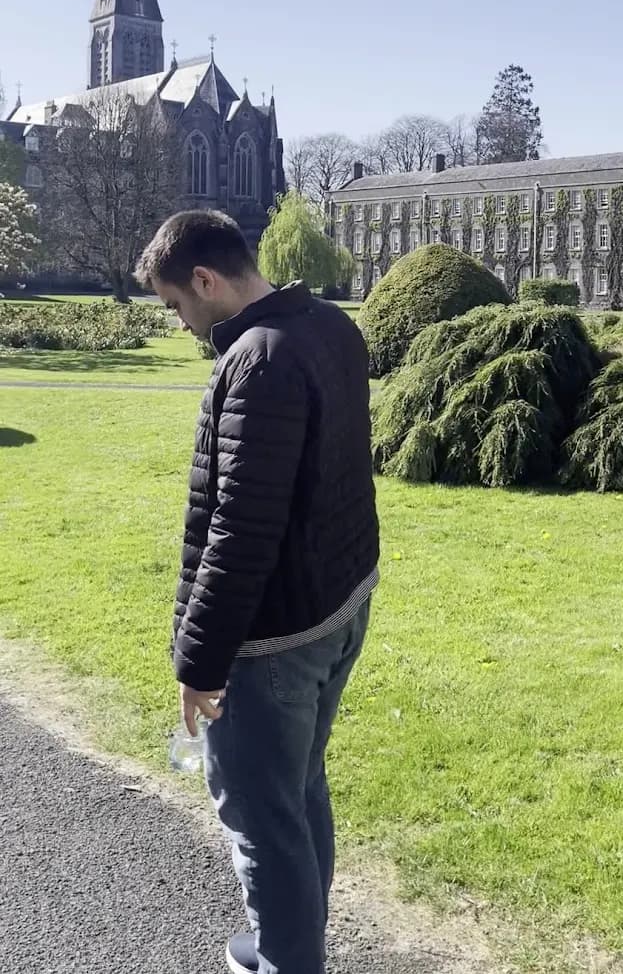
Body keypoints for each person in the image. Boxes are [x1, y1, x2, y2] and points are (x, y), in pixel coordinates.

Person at [135, 210, 379, 974]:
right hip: (338, 606)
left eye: (177, 305)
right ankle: (291, 942)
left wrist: (199, 663)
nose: (180, 323)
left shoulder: (261, 359)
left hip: (273, 641)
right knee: (297, 787)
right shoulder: (329, 325)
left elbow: (239, 532)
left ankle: (287, 960)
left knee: (262, 818)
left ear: (206, 280)